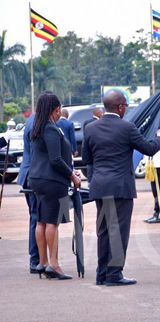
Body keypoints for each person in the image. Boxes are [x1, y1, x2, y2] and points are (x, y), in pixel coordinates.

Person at [82, 90, 160, 286]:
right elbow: (149, 148)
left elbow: (86, 159)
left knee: (104, 230)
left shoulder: (90, 128)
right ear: (120, 107)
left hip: (100, 185)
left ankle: (101, 274)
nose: (126, 109)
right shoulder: (127, 127)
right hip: (120, 186)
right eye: (125, 105)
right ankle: (114, 275)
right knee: (119, 231)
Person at [28, 92, 82, 280]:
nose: (60, 113)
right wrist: (72, 176)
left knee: (41, 221)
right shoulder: (51, 128)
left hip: (38, 179)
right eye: (59, 109)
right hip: (52, 181)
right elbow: (56, 159)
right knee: (52, 222)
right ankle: (55, 265)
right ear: (55, 109)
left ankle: (42, 263)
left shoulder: (38, 126)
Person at [17, 113, 41, 274]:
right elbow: (35, 155)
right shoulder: (37, 123)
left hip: (29, 174)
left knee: (36, 216)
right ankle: (35, 259)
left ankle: (37, 258)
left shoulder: (33, 118)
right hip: (34, 176)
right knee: (37, 217)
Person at [144, 128, 160, 223]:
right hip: (155, 163)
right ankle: (157, 212)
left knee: (159, 190)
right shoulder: (154, 131)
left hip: (158, 163)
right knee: (156, 190)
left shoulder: (159, 133)